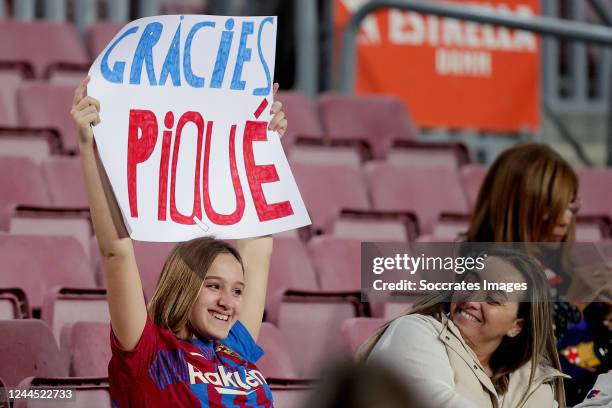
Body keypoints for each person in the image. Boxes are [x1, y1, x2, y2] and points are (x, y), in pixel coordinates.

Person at [71, 76, 287, 407]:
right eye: (214, 286)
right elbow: (116, 252)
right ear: (184, 284)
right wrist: (90, 147)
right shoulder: (146, 352)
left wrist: (260, 138)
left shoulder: (236, 346)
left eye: (237, 290)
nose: (228, 302)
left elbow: (259, 249)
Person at [464, 142, 610, 404]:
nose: (565, 219)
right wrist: (573, 305)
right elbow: (515, 362)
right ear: (515, 204)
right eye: (550, 207)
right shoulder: (478, 271)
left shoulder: (564, 270)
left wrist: (603, 318)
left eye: (571, 206)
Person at [358, 249, 568, 407]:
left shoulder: (531, 378)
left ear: (517, 326)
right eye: (470, 283)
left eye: (493, 298)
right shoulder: (413, 332)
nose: (472, 299)